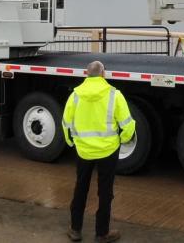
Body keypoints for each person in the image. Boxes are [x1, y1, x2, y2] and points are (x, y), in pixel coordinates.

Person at [63, 61, 136, 242]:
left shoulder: (75, 96)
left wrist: (72, 142)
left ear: (86, 74)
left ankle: (75, 229)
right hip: (108, 150)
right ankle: (102, 233)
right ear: (104, 74)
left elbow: (66, 123)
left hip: (84, 151)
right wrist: (122, 140)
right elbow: (128, 125)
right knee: (105, 192)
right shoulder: (114, 95)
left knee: (81, 187)